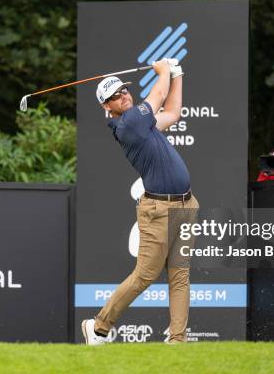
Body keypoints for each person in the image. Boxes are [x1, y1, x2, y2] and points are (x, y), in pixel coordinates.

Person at [81, 58, 199, 345]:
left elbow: (172, 112)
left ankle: (178, 341)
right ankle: (98, 327)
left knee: (180, 275)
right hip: (158, 209)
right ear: (106, 107)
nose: (124, 95)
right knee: (145, 276)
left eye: (124, 90)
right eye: (116, 96)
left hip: (186, 205)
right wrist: (162, 71)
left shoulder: (142, 123)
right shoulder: (129, 124)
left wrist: (178, 74)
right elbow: (158, 95)